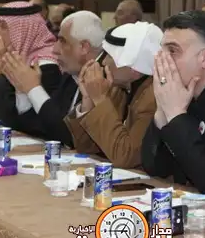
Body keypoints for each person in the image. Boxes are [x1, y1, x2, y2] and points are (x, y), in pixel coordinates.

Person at [141, 11, 205, 194]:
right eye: (161, 51)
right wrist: (162, 112)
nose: (161, 60)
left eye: (172, 51)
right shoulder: (183, 87)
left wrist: (176, 114)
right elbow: (154, 167)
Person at [66, 22, 161, 168]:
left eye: (110, 56)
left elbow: (125, 157)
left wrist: (100, 99)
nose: (104, 62)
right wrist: (88, 100)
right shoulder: (118, 89)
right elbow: (87, 147)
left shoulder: (153, 98)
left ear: (135, 68)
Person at [0, 10, 104, 145]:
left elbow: (69, 137)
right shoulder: (69, 76)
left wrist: (33, 88)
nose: (54, 49)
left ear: (84, 47)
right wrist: (23, 91)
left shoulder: (102, 79)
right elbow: (38, 127)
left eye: (62, 41)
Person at [0, 1, 62, 135]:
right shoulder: (11, 59)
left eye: (3, 26)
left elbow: (11, 122)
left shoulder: (47, 66)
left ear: (24, 31)